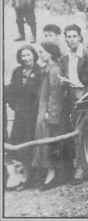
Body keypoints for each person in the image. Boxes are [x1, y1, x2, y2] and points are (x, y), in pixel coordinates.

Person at [60, 24, 88, 185]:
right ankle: (81, 165)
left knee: (84, 129)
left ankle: (83, 168)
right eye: (68, 37)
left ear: (80, 37)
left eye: (74, 36)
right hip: (73, 96)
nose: (72, 39)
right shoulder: (65, 57)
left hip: (87, 95)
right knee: (76, 129)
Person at [31, 41, 67, 191]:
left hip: (49, 111)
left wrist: (50, 114)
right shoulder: (47, 68)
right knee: (44, 142)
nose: (39, 55)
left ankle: (52, 176)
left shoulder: (54, 70)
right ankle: (47, 174)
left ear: (50, 53)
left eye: (42, 52)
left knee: (49, 143)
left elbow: (55, 95)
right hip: (43, 107)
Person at [5, 45, 42, 189]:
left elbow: (40, 93)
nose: (26, 58)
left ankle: (35, 177)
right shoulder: (17, 71)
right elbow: (12, 90)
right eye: (23, 56)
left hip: (34, 114)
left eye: (28, 55)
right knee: (19, 146)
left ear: (33, 55)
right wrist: (15, 106)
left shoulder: (39, 71)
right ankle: (25, 178)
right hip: (20, 115)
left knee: (32, 144)